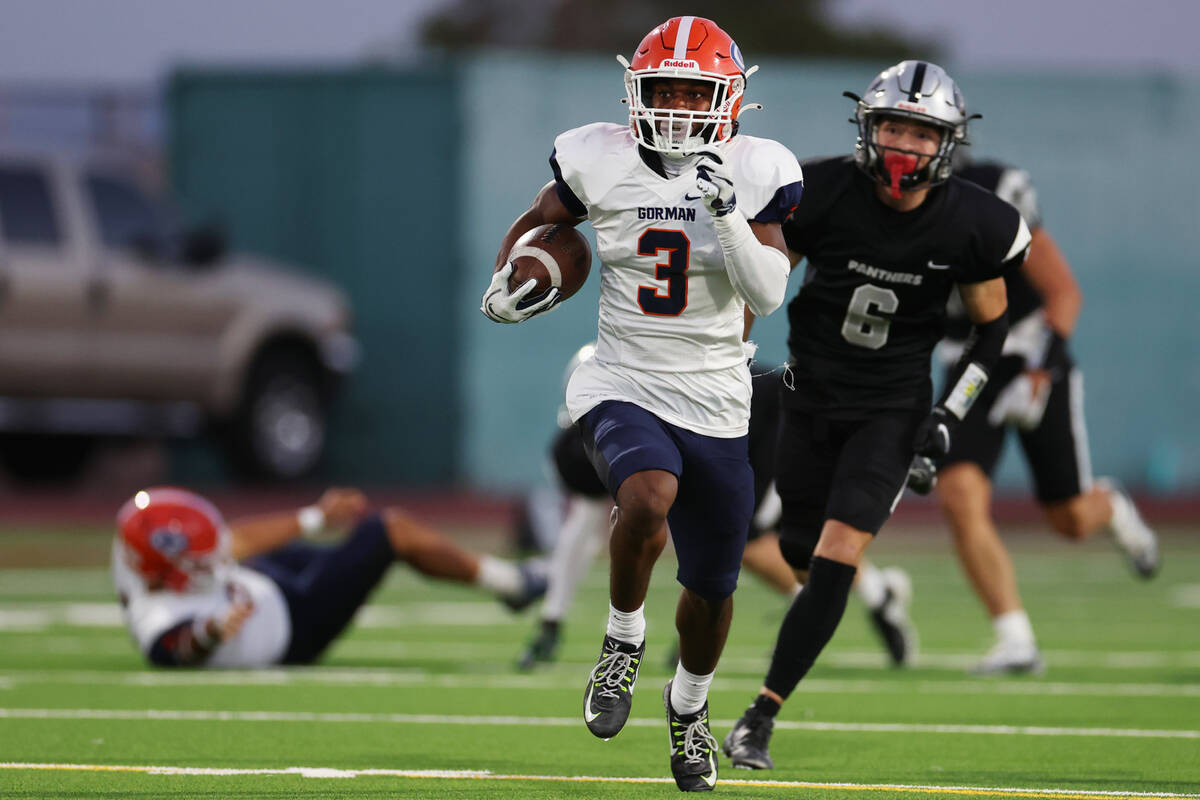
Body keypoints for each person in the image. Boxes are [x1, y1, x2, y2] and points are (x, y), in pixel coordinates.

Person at [479, 16, 803, 791]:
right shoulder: (598, 157)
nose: (683, 107)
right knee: (646, 495)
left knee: (714, 592)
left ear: (729, 99)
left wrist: (725, 212)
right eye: (668, 91)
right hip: (621, 376)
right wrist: (508, 277)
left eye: (699, 92)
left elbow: (767, 291)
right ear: (638, 93)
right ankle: (622, 640)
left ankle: (687, 708)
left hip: (721, 394)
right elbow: (541, 221)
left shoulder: (758, 169)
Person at [722, 60, 1030, 771]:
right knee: (796, 551)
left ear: (948, 144)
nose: (902, 145)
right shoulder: (820, 191)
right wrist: (727, 359)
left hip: (891, 409)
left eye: (921, 133)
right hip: (807, 394)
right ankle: (882, 595)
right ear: (867, 126)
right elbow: (761, 283)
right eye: (892, 125)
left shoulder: (975, 222)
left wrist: (953, 411)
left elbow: (991, 330)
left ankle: (760, 717)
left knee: (834, 557)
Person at [517, 352, 918, 672]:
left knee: (740, 534)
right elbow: (580, 532)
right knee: (752, 534)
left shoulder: (649, 402)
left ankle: (818, 605)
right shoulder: (599, 437)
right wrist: (552, 619)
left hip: (764, 416)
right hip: (744, 413)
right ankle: (873, 593)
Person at [933, 159, 1160, 675]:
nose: (904, 148)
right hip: (966, 362)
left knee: (1071, 519)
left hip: (1028, 352)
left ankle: (1115, 508)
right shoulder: (874, 203)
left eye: (920, 133)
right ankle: (1016, 640)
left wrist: (1041, 370)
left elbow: (1063, 291)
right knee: (957, 493)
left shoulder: (991, 192)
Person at [111, 486, 546, 668]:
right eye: (201, 561)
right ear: (166, 573)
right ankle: (512, 584)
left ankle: (509, 581)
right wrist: (209, 630)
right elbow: (172, 649)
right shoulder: (158, 616)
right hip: (297, 623)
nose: (214, 558)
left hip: (259, 582)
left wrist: (316, 517)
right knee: (386, 530)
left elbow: (235, 542)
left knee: (252, 551)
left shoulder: (136, 547)